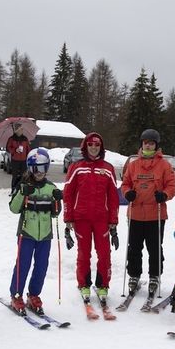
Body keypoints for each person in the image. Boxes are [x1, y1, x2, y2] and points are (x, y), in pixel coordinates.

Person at [63, 131, 120, 309]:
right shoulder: (76, 167)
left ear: (101, 147)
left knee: (104, 254)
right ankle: (84, 284)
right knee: (83, 253)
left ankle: (103, 285)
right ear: (85, 146)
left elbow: (113, 197)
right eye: (90, 145)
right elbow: (68, 194)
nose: (94, 148)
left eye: (97, 145)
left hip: (102, 219)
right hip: (81, 218)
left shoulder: (108, 168)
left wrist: (113, 220)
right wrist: (68, 218)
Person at [120, 128, 175, 299]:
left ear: (156, 146)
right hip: (135, 214)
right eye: (146, 143)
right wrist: (127, 192)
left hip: (156, 214)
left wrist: (165, 195)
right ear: (142, 144)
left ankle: (154, 275)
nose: (148, 145)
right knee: (134, 248)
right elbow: (125, 184)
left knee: (154, 248)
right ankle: (134, 275)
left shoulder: (165, 165)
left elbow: (172, 186)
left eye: (152, 143)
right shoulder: (133, 165)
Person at [8, 148, 64, 314]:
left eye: (42, 168)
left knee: (41, 266)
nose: (39, 173)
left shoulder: (50, 187)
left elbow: (55, 213)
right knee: (23, 264)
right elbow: (13, 208)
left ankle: (34, 295)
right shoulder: (24, 185)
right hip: (27, 233)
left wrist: (57, 200)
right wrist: (21, 194)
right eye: (35, 169)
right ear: (30, 169)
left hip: (45, 235)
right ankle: (16, 295)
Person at [5, 123, 31, 195]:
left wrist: (29, 157)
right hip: (15, 160)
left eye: (22, 129)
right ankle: (13, 189)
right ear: (16, 130)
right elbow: (8, 148)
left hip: (23, 160)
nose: (22, 130)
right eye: (20, 129)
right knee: (15, 176)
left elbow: (28, 149)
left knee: (24, 176)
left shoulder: (25, 139)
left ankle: (23, 189)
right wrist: (15, 150)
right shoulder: (11, 139)